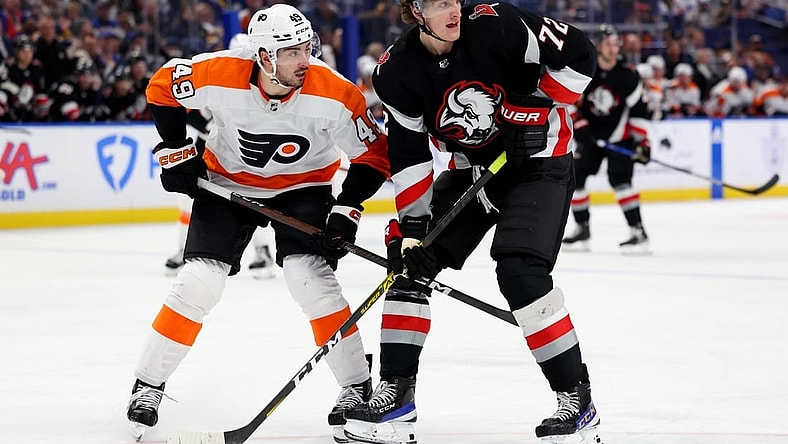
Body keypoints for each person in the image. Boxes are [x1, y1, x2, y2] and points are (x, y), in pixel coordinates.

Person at [126, 4, 390, 442]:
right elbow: (161, 86)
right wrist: (175, 149)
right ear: (264, 56)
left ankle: (356, 385)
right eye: (291, 53)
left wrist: (347, 208)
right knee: (198, 283)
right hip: (227, 182)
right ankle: (148, 385)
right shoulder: (220, 71)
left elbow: (374, 155)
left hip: (304, 186)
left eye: (306, 48)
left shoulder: (335, 92)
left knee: (310, 279)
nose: (304, 60)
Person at [342, 2, 603, 444]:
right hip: (474, 172)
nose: (453, 10)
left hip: (539, 162)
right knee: (409, 264)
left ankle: (576, 400)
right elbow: (410, 157)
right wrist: (413, 230)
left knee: (520, 273)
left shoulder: (498, 23)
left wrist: (535, 107)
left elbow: (581, 55)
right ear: (414, 10)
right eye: (439, 3)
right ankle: (397, 398)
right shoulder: (397, 72)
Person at [162, 34, 277, 280]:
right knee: (189, 200)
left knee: (251, 199)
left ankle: (263, 251)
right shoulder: (218, 73)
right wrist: (206, 126)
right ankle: (184, 249)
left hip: (243, 153)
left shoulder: (266, 85)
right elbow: (184, 105)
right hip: (210, 148)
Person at [562, 24, 652, 254]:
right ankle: (582, 229)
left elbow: (639, 112)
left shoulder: (628, 76)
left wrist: (642, 142)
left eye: (615, 45)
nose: (612, 49)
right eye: (608, 44)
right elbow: (569, 102)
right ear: (598, 46)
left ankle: (638, 232)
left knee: (621, 181)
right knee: (575, 178)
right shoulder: (585, 70)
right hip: (590, 138)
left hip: (619, 138)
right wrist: (580, 128)